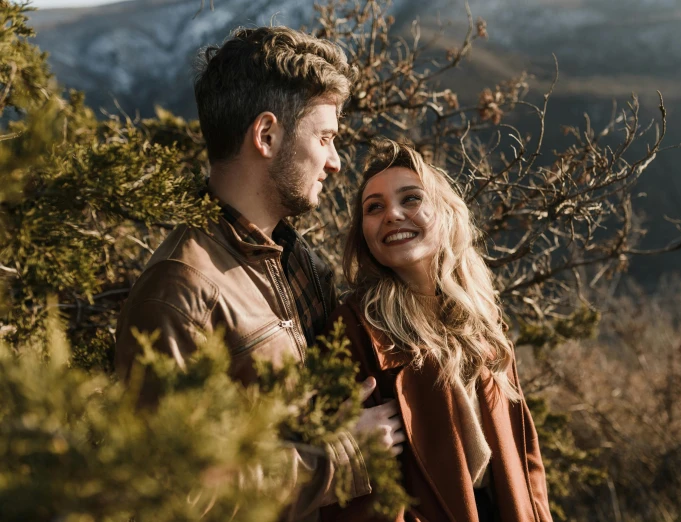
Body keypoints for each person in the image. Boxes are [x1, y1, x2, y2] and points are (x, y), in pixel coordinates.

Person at [113, 26, 403, 521]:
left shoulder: (294, 258)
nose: (335, 163)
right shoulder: (178, 291)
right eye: (326, 138)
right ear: (266, 135)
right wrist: (344, 455)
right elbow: (180, 493)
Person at [320, 139, 554, 522]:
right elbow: (364, 493)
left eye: (411, 199)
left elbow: (526, 456)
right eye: (374, 207)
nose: (392, 214)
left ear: (446, 212)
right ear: (364, 234)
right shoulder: (357, 329)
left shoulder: (481, 320)